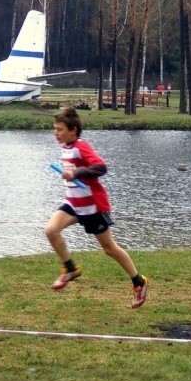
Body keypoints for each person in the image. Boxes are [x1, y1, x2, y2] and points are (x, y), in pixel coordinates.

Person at [45, 106, 149, 308]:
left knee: (109, 249)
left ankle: (139, 281)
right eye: (55, 129)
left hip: (93, 206)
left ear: (73, 130)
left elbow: (101, 167)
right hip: (74, 203)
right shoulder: (66, 146)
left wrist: (75, 173)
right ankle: (70, 268)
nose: (55, 133)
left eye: (59, 129)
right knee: (50, 230)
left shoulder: (81, 146)